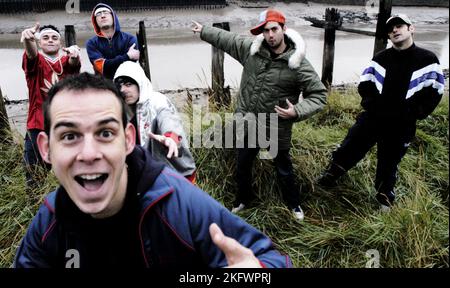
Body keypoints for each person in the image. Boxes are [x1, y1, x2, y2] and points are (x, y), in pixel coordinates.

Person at [14, 72, 292, 268]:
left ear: (129, 139)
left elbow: (270, 260)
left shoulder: (178, 204)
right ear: (46, 149)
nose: (88, 154)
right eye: (69, 136)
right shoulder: (50, 220)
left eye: (106, 133)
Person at [192, 8, 327, 221]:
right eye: (266, 31)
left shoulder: (297, 63)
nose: (270, 35)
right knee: (243, 164)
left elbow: (319, 95)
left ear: (284, 29)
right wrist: (203, 31)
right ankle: (243, 200)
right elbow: (227, 39)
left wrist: (296, 111)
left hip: (276, 126)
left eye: (274, 29)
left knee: (283, 169)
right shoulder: (251, 51)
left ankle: (294, 205)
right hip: (248, 124)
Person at [317, 14, 445, 210]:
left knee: (389, 162)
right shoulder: (381, 58)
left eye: (399, 26)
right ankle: (329, 178)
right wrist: (372, 105)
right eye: (391, 29)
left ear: (411, 28)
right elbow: (365, 84)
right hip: (373, 119)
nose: (395, 30)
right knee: (349, 147)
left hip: (402, 124)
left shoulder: (428, 59)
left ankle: (384, 201)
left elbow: (435, 91)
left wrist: (414, 113)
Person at [114, 61, 197, 183]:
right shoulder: (120, 108)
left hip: (175, 172)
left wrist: (170, 137)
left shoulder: (157, 101)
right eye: (120, 86)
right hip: (145, 174)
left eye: (128, 84)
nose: (124, 90)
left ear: (140, 83)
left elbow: (168, 119)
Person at [20, 23, 81, 190]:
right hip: (37, 127)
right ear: (39, 43)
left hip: (65, 127)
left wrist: (75, 55)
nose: (50, 40)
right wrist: (28, 39)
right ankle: (35, 210)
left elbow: (73, 63)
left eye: (54, 38)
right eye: (45, 38)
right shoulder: (36, 61)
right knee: (35, 177)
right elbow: (31, 54)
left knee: (72, 174)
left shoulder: (65, 62)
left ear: (60, 43)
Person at [86, 3, 140, 79]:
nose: (102, 16)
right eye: (98, 14)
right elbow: (102, 68)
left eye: (106, 12)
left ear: (113, 16)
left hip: (126, 83)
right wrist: (127, 56)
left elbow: (128, 67)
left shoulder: (130, 39)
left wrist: (108, 63)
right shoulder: (91, 43)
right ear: (95, 21)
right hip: (104, 86)